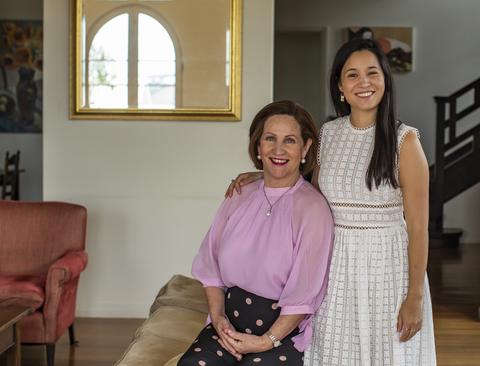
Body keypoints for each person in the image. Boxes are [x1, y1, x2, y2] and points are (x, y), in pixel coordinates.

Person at [227, 38, 436, 365]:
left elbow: (420, 229)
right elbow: (305, 187)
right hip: (334, 267)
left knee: (389, 355)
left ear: (385, 81)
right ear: (340, 86)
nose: (363, 82)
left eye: (372, 73)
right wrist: (260, 176)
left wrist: (414, 298)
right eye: (352, 75)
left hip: (388, 272)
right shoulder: (327, 134)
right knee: (333, 354)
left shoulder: (405, 141)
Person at [179, 100, 334, 366]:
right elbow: (211, 269)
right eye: (270, 138)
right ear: (258, 145)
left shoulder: (313, 209)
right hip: (228, 325)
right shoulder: (238, 195)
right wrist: (218, 320)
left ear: (306, 147)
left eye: (290, 141)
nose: (278, 149)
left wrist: (266, 341)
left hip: (282, 335)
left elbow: (304, 294)